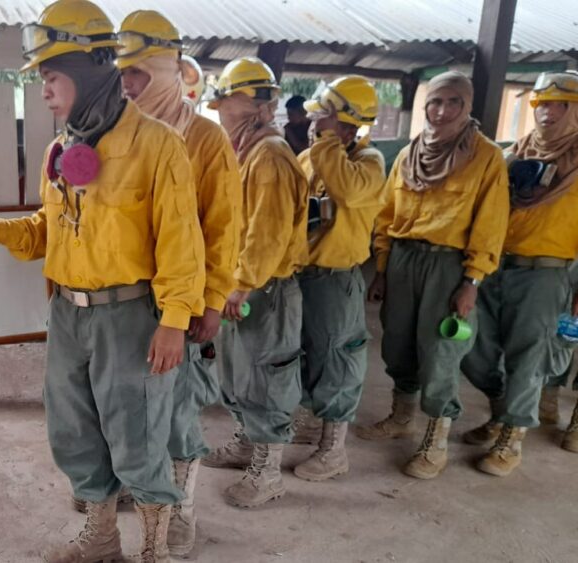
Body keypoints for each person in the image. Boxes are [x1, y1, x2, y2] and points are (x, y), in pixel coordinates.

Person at [0, 1, 205, 561]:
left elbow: (181, 244)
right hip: (69, 314)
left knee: (138, 435)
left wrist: (174, 322)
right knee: (74, 431)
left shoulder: (157, 145)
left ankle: (155, 549)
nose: (44, 90)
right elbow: (49, 229)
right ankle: (101, 536)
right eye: (41, 78)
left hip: (132, 316)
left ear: (91, 69)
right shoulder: (61, 150)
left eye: (51, 76)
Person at [116, 10, 241, 557]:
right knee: (128, 405)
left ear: (169, 71)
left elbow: (223, 227)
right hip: (124, 300)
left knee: (180, 410)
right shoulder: (117, 132)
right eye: (122, 73)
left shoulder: (206, 138)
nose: (128, 84)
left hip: (182, 301)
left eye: (139, 73)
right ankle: (137, 487)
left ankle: (183, 507)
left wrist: (211, 301)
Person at [356, 71, 509, 481]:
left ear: (467, 106)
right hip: (404, 260)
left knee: (441, 352)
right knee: (398, 343)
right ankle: (401, 416)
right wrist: (383, 269)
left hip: (449, 265)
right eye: (435, 102)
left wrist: (472, 281)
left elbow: (491, 224)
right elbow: (386, 215)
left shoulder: (485, 156)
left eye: (453, 102)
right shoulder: (409, 154)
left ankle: (436, 439)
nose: (441, 111)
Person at [204, 57, 309, 508]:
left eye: (230, 102)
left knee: (267, 375)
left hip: (265, 289)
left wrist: (241, 284)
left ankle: (268, 471)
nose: (223, 111)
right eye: (223, 103)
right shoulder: (245, 152)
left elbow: (266, 233)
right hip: (244, 285)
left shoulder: (269, 156)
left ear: (258, 105)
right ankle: (248, 443)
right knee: (239, 371)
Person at [461, 70, 578, 472]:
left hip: (547, 273)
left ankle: (512, 438)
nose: (547, 112)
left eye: (560, 104)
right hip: (497, 265)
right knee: (474, 349)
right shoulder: (516, 154)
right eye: (542, 104)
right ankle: (501, 410)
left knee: (529, 357)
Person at [292, 76, 386, 481]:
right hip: (301, 275)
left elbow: (345, 190)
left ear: (349, 124)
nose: (315, 124)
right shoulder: (309, 158)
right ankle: (312, 420)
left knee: (337, 358)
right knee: (302, 353)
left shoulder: (369, 163)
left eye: (325, 118)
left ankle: (334, 449)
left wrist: (327, 142)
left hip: (336, 278)